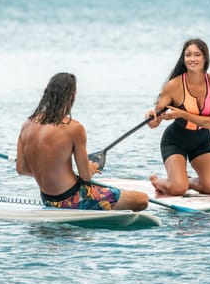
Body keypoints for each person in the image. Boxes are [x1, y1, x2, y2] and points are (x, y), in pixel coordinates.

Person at [16, 72, 148, 211]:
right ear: (72, 95)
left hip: (48, 200)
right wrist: (91, 168)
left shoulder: (26, 125)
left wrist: (47, 170)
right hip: (74, 198)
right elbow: (85, 175)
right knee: (142, 199)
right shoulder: (74, 128)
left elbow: (22, 169)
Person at [145, 39, 210, 196]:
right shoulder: (174, 85)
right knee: (178, 189)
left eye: (197, 54)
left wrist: (182, 114)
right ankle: (160, 182)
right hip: (175, 141)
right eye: (188, 55)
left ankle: (185, 180)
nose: (192, 59)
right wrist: (150, 116)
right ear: (183, 59)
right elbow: (156, 122)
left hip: (202, 140)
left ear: (205, 58)